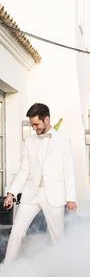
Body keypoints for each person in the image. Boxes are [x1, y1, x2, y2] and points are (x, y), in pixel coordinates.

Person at [2, 103, 77, 263]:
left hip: (55, 195)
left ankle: (62, 271)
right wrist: (11, 193)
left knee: (57, 236)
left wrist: (71, 198)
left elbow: (69, 171)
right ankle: (7, 270)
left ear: (47, 119)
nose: (34, 128)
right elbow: (24, 171)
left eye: (36, 124)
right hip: (31, 195)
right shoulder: (29, 142)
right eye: (32, 125)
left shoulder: (64, 141)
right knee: (16, 232)